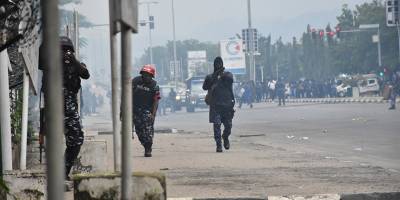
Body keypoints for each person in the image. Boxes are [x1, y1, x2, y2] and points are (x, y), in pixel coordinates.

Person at [60, 36, 90, 180]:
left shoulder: (76, 64)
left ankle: (62, 171)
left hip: (70, 109)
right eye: (61, 50)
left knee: (76, 140)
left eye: (67, 50)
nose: (64, 52)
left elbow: (86, 74)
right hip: (55, 109)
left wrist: (73, 60)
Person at [203, 57, 235, 153]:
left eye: (220, 63)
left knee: (228, 126)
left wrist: (221, 74)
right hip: (216, 106)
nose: (218, 65)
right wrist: (215, 75)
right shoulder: (210, 77)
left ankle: (225, 137)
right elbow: (205, 87)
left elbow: (230, 80)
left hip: (227, 105)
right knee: (217, 125)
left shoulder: (227, 75)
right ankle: (218, 145)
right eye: (216, 63)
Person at [132, 65, 161, 157]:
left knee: (148, 131)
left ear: (152, 76)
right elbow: (127, 95)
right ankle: (145, 145)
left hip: (147, 111)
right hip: (135, 110)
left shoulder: (155, 86)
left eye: (148, 75)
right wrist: (123, 110)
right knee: (139, 131)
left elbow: (156, 101)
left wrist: (153, 114)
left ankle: (148, 148)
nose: (146, 77)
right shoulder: (135, 81)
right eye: (145, 74)